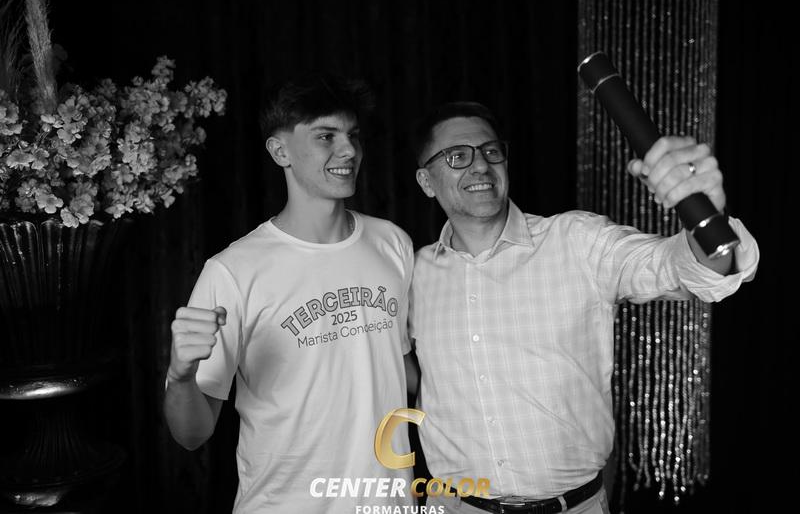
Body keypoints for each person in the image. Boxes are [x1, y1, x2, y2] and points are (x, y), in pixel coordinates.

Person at [407, 101, 759, 513]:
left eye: (491, 151)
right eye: (457, 156)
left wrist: (706, 216)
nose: (481, 165)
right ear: (426, 181)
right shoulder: (411, 274)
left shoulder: (577, 241)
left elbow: (687, 269)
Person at [163, 74, 416, 513]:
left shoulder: (392, 243)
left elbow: (402, 370)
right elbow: (191, 435)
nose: (349, 151)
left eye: (353, 135)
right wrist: (181, 375)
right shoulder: (233, 271)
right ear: (280, 151)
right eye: (326, 136)